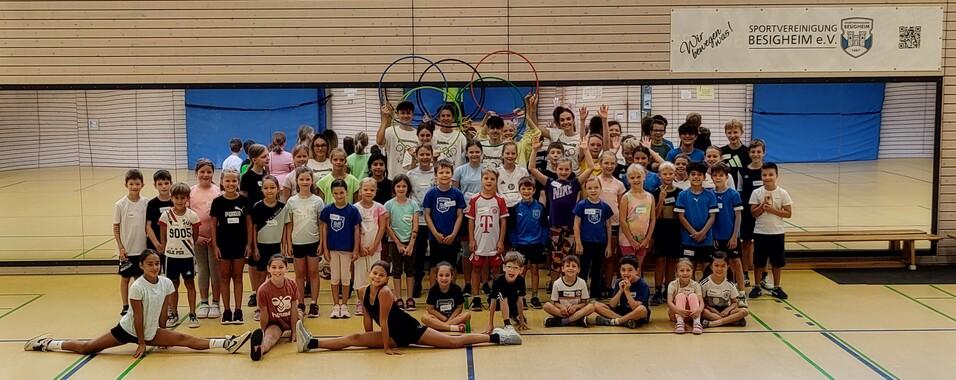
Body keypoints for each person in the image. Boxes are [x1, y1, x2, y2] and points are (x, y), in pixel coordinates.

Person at [25, 250, 250, 357]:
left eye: (157, 264)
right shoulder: (137, 287)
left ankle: (226, 343)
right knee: (87, 348)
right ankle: (48, 343)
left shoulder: (165, 283)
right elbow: (138, 317)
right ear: (141, 265)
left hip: (151, 330)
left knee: (184, 339)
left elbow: (164, 309)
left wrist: (163, 332)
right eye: (150, 264)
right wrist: (141, 343)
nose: (154, 267)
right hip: (129, 329)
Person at [295, 261, 521, 355]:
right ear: (370, 274)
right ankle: (312, 343)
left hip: (410, 330)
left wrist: (385, 348)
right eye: (374, 273)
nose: (377, 277)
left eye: (382, 275)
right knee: (354, 337)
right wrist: (368, 337)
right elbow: (367, 318)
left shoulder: (385, 293)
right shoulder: (363, 290)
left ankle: (497, 337)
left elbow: (383, 321)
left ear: (386, 279)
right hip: (393, 335)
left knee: (452, 343)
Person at [528, 136, 594, 289]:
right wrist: (534, 150)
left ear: (571, 170)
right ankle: (555, 286)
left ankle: (570, 285)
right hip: (555, 226)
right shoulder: (550, 182)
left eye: (566, 169)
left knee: (570, 258)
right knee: (556, 258)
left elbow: (590, 168)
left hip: (571, 227)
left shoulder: (575, 183)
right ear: (555, 169)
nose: (563, 172)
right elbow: (532, 168)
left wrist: (586, 150)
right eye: (560, 169)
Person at [209, 169, 253, 324]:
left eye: (234, 181)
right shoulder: (217, 202)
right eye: (227, 181)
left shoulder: (244, 201)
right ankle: (227, 310)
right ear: (222, 182)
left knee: (238, 276)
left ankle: (238, 310)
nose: (230, 184)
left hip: (240, 244)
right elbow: (213, 226)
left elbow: (249, 223)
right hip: (223, 244)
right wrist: (215, 246)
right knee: (225, 277)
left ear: (238, 183)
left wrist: (249, 244)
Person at [159, 183, 202, 328]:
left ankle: (192, 314)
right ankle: (174, 313)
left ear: (187, 199)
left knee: (190, 284)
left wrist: (188, 247)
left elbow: (195, 236)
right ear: (171, 198)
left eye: (182, 198)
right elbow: (163, 237)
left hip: (187, 257)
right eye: (176, 198)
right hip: (171, 257)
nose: (179, 201)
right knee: (173, 286)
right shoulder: (166, 216)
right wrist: (166, 249)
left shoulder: (192, 216)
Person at [748, 162, 793, 300]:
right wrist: (762, 207)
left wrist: (772, 210)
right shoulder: (757, 192)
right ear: (761, 176)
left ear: (776, 176)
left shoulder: (782, 193)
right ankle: (756, 286)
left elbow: (788, 213)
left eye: (771, 175)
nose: (767, 177)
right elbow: (753, 213)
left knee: (777, 262)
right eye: (764, 175)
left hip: (777, 232)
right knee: (759, 262)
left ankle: (777, 287)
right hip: (761, 232)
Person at [423, 159, 466, 299]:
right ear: (436, 175)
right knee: (435, 266)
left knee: (451, 266)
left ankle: (451, 294)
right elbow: (427, 215)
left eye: (447, 172)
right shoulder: (431, 194)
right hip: (436, 237)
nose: (444, 175)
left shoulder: (457, 194)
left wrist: (454, 234)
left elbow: (460, 215)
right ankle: (433, 294)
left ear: (452, 174)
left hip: (452, 237)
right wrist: (435, 233)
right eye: (441, 172)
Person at [465, 168, 508, 310]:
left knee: (496, 270)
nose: (489, 181)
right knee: (476, 269)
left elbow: (503, 222)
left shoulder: (500, 200)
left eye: (492, 179)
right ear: (481, 180)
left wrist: (501, 240)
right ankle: (476, 298)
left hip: (494, 241)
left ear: (496, 181)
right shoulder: (475, 199)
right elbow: (470, 221)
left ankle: (494, 297)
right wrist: (471, 239)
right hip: (479, 241)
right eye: (486, 178)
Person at [285, 166, 325, 318]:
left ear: (312, 181)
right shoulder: (291, 201)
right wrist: (288, 243)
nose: (305, 182)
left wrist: (321, 243)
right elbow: (289, 224)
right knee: (299, 274)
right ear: (297, 181)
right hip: (297, 243)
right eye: (302, 179)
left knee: (314, 273)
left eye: (308, 179)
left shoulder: (318, 201)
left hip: (313, 241)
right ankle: (300, 302)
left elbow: (321, 224)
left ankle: (314, 303)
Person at [320, 179, 362, 318]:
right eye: (336, 193)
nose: (339, 196)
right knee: (334, 278)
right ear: (332, 193)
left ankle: (344, 305)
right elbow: (324, 229)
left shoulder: (353, 210)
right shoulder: (327, 210)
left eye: (341, 193)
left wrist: (356, 249)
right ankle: (335, 305)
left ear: (346, 192)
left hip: (347, 249)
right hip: (332, 249)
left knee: (345, 277)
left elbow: (357, 230)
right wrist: (324, 248)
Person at [250, 175, 288, 322]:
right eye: (266, 188)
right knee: (261, 277)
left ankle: (273, 306)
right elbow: (253, 228)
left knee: (275, 278)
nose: (269, 190)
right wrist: (255, 247)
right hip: (261, 246)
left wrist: (284, 247)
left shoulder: (282, 207)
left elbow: (285, 228)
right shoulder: (258, 206)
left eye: (272, 187)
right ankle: (260, 307)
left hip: (275, 247)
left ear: (278, 189)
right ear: (262, 189)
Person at [191, 159, 223, 320]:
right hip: (197, 239)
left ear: (213, 173)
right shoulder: (190, 192)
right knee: (203, 270)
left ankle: (216, 303)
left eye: (208, 171)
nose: (205, 174)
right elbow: (185, 217)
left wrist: (215, 238)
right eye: (202, 171)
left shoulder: (218, 192)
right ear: (196, 173)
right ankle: (204, 302)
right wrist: (195, 237)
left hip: (214, 240)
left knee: (215, 271)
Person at [251, 254, 299, 361]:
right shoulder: (263, 290)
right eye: (274, 267)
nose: (277, 271)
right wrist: (262, 331)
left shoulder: (292, 284)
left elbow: (294, 308)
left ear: (287, 268)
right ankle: (259, 349)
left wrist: (294, 330)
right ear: (268, 269)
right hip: (275, 323)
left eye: (281, 267)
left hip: (291, 318)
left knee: (300, 318)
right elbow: (264, 314)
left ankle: (298, 328)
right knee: (270, 338)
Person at [510, 177, 548, 309]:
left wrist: (543, 242)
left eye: (529, 189)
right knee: (522, 271)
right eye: (523, 189)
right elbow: (512, 228)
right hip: (521, 244)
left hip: (536, 244)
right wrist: (514, 243)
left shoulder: (540, 207)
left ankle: (535, 296)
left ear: (534, 190)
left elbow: (544, 226)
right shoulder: (515, 208)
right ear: (519, 190)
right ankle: (521, 296)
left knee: (535, 270)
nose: (526, 191)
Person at [114, 169, 147, 316]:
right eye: (131, 184)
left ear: (142, 185)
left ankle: (141, 304)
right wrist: (121, 247)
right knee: (125, 278)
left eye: (137, 184)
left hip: (141, 249)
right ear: (126, 184)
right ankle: (125, 305)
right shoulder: (120, 204)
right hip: (126, 250)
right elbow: (116, 227)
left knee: (141, 280)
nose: (134, 186)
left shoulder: (146, 203)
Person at [710, 162, 745, 303]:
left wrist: (734, 236)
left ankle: (741, 293)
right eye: (715, 175)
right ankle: (720, 292)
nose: (718, 178)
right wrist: (711, 236)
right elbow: (710, 218)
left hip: (731, 237)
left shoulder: (733, 194)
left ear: (726, 177)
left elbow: (738, 216)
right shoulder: (710, 194)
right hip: (716, 237)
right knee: (717, 265)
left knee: (736, 263)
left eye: (721, 175)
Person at [573, 176, 613, 296]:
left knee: (598, 268)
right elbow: (576, 225)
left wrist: (609, 246)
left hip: (600, 242)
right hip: (586, 242)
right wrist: (578, 243)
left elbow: (608, 226)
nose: (593, 190)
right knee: (584, 268)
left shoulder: (605, 207)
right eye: (590, 188)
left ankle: (595, 292)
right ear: (585, 190)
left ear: (600, 188)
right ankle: (582, 292)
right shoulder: (581, 205)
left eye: (596, 187)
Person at [675, 162, 718, 270]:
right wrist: (694, 233)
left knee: (707, 267)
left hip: (706, 239)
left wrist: (702, 233)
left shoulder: (710, 194)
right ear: (688, 176)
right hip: (688, 239)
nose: (696, 177)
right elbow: (681, 216)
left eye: (699, 174)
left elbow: (712, 217)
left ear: (704, 177)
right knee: (689, 267)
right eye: (693, 174)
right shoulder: (682, 195)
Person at [384, 174, 419, 310]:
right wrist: (398, 243)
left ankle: (409, 298)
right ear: (394, 188)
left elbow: (415, 226)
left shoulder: (413, 205)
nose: (401, 188)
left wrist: (410, 244)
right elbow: (388, 226)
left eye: (404, 186)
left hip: (410, 242)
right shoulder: (389, 204)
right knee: (397, 271)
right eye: (398, 186)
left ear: (408, 188)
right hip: (394, 242)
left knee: (410, 270)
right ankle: (398, 297)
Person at [406, 144, 436, 298]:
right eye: (421, 154)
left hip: (435, 219)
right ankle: (417, 281)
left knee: (435, 254)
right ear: (416, 156)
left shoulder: (437, 172)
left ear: (432, 155)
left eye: (427, 154)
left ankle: (435, 283)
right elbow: (408, 197)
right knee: (419, 253)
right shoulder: (410, 174)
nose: (424, 157)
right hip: (419, 219)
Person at [355, 178, 388, 316]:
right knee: (360, 275)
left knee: (375, 275)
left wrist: (375, 246)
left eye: (372, 190)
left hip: (375, 248)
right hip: (360, 249)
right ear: (360, 190)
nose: (368, 192)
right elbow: (355, 228)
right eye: (366, 189)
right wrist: (360, 247)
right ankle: (360, 302)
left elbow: (382, 228)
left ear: (376, 191)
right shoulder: (355, 208)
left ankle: (374, 300)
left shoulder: (380, 208)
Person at [650, 162, 681, 306]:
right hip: (660, 228)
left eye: (670, 173)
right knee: (660, 259)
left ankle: (668, 289)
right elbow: (655, 215)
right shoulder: (654, 193)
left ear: (675, 175)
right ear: (659, 175)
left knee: (672, 260)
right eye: (665, 174)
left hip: (675, 228)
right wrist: (661, 199)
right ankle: (657, 289)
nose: (668, 176)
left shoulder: (680, 192)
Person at [596, 151, 625, 296]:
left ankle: (608, 285)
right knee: (598, 257)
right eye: (606, 163)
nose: (609, 166)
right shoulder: (594, 181)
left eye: (612, 163)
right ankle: (597, 284)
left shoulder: (619, 184)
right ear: (600, 164)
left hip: (613, 224)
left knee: (610, 256)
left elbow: (620, 205)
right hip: (595, 224)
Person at [591, 256, 649, 328]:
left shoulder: (643, 285)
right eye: (623, 270)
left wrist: (627, 292)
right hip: (622, 311)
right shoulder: (619, 282)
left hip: (636, 314)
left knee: (642, 310)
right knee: (596, 305)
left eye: (630, 270)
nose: (626, 273)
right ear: (620, 270)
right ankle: (625, 321)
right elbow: (612, 305)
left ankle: (616, 321)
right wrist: (620, 291)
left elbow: (635, 307)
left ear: (637, 271)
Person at [739, 140, 766, 288]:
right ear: (749, 153)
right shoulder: (743, 172)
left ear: (763, 153)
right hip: (748, 213)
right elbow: (740, 191)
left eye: (758, 152)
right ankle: (744, 274)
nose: (756, 155)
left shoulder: (767, 170)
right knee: (746, 243)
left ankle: (763, 275)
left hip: (765, 214)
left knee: (763, 245)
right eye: (753, 152)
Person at [619, 164, 656, 273]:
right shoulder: (626, 197)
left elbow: (652, 219)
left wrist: (647, 239)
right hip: (627, 240)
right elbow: (622, 220)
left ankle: (637, 290)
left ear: (644, 176)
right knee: (628, 270)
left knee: (637, 270)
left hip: (643, 240)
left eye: (638, 177)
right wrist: (631, 240)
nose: (635, 180)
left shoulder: (650, 197)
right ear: (628, 179)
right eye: (632, 178)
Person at [483, 252, 530, 333]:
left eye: (515, 268)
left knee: (522, 320)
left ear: (521, 270)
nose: (512, 270)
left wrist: (522, 321)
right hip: (498, 301)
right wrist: (490, 324)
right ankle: (507, 324)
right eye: (509, 267)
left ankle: (513, 315)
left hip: (512, 301)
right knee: (503, 296)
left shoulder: (521, 280)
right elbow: (493, 302)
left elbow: (519, 301)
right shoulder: (498, 281)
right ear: (504, 267)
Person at [543, 255, 594, 327]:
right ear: (563, 269)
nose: (570, 268)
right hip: (563, 311)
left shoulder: (582, 282)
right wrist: (562, 307)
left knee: (591, 307)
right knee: (546, 306)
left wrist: (576, 307)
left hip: (577, 310)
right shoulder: (557, 283)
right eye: (567, 266)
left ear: (578, 270)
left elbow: (584, 303)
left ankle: (563, 321)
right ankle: (577, 319)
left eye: (574, 266)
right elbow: (555, 303)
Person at [700, 251, 748, 328]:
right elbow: (701, 302)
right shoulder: (704, 283)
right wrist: (711, 309)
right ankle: (730, 321)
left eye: (723, 266)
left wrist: (727, 310)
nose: (719, 268)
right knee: (703, 312)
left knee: (744, 311)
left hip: (725, 311)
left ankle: (714, 323)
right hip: (710, 311)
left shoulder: (730, 284)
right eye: (716, 265)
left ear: (727, 266)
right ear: (711, 266)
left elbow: (734, 303)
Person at [422, 261, 471, 332]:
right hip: (439, 318)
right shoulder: (433, 290)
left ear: (452, 277)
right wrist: (443, 318)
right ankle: (452, 328)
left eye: (447, 275)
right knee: (424, 317)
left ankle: (439, 327)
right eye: (441, 275)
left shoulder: (456, 289)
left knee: (467, 315)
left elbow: (459, 307)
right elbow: (430, 309)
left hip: (453, 318)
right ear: (436, 277)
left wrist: (450, 319)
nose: (444, 278)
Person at [377, 100, 419, 179]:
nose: (405, 116)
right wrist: (385, 118)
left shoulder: (418, 134)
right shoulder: (390, 131)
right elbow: (379, 142)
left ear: (413, 114)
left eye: (408, 113)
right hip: (393, 178)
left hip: (412, 178)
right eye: (403, 113)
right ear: (397, 114)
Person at [667, 258, 704, 334]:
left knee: (693, 295)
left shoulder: (696, 285)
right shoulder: (673, 284)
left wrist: (699, 310)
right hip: (675, 314)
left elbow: (701, 302)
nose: (685, 273)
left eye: (688, 270)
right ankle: (680, 323)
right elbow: (669, 302)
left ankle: (697, 323)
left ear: (692, 271)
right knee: (680, 295)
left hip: (691, 314)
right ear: (676, 272)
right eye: (682, 270)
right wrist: (678, 310)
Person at [432, 103, 468, 167]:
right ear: (438, 118)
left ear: (453, 118)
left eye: (448, 115)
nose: (446, 118)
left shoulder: (460, 136)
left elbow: (468, 152)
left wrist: (468, 135)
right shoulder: (433, 135)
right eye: (443, 116)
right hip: (438, 174)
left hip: (456, 175)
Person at [145, 170, 173, 253]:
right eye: (160, 184)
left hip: (172, 244)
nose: (163, 186)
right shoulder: (152, 203)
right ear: (155, 185)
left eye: (166, 183)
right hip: (155, 244)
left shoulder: (176, 201)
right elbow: (148, 226)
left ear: (171, 183)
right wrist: (157, 244)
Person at [720, 119, 751, 187]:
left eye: (735, 132)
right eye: (729, 132)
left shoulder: (748, 152)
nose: (732, 135)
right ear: (726, 133)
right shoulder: (721, 151)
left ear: (742, 132)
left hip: (744, 187)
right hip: (726, 187)